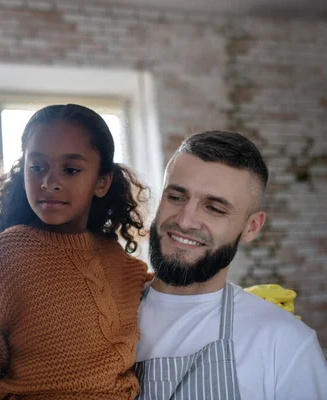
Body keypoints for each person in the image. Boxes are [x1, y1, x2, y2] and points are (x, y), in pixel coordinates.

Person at [0, 104, 151, 399]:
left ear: (102, 181)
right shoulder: (9, 253)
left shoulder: (126, 268)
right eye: (37, 167)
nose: (49, 183)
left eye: (70, 169)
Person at [135, 131, 327, 399]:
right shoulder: (103, 315)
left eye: (214, 208)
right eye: (177, 197)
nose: (185, 221)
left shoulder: (284, 343)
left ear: (251, 227)